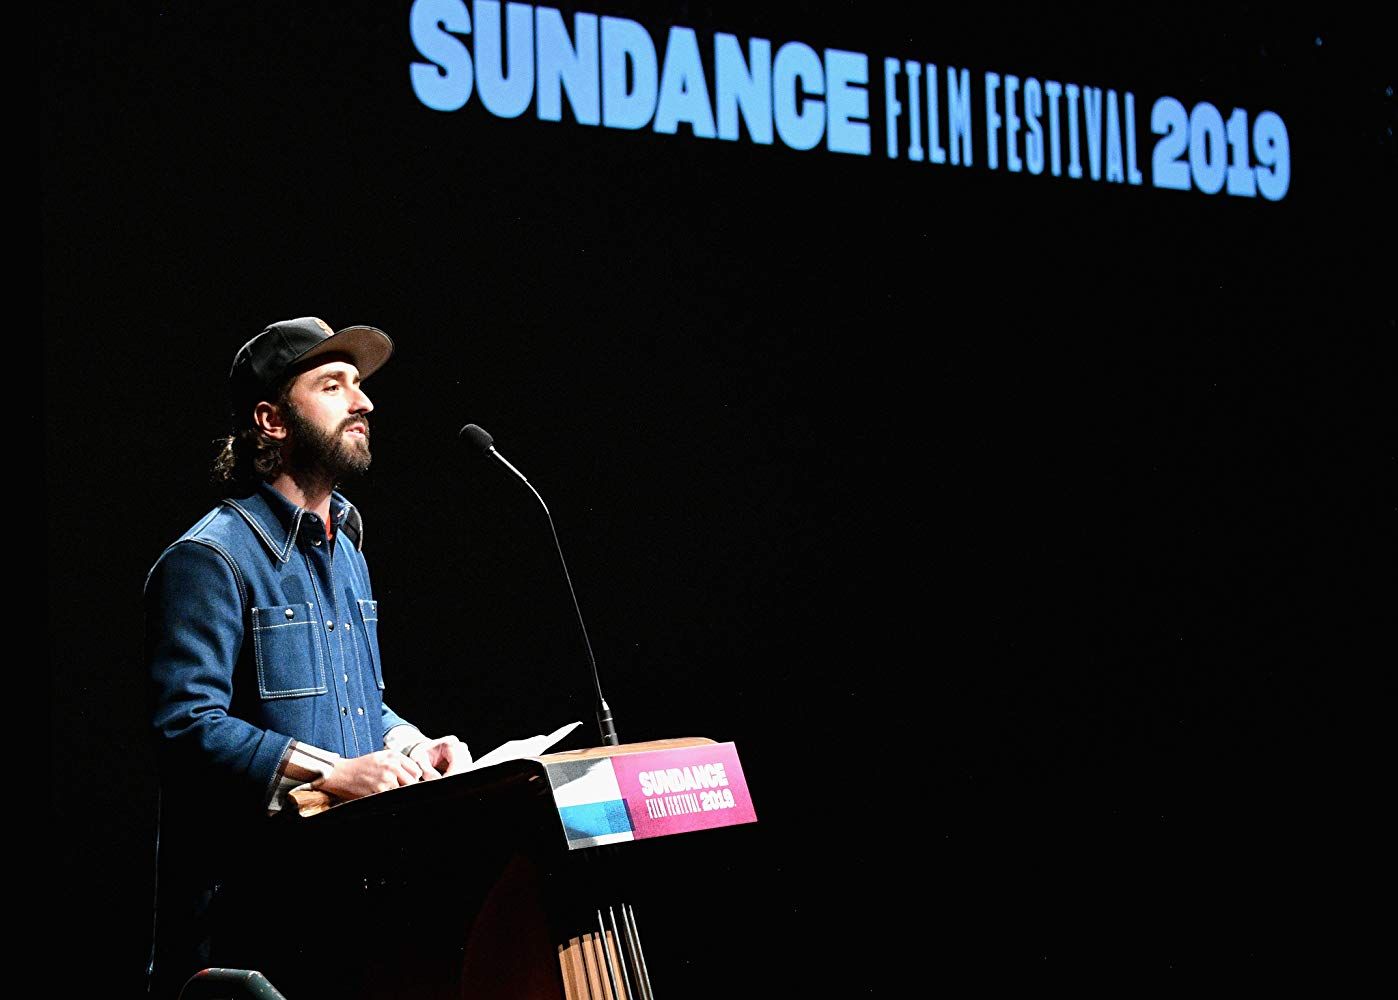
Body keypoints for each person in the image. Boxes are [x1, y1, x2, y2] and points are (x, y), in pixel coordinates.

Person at [144, 316, 469, 997]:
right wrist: (337, 772)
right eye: (332, 385)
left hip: (347, 910)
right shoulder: (210, 558)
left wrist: (413, 746)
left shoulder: (347, 551)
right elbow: (186, 726)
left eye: (359, 384)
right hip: (251, 930)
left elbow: (356, 701)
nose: (363, 401)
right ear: (271, 420)